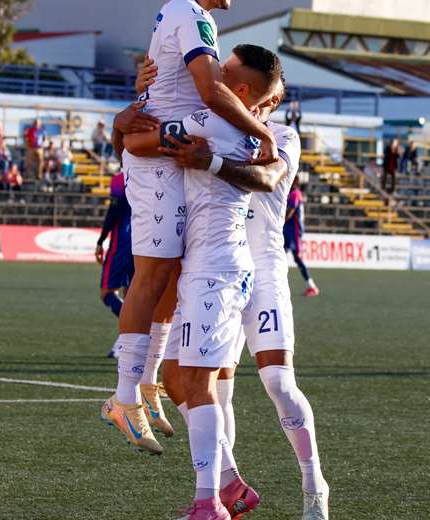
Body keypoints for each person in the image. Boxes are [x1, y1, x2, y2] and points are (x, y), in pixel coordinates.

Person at [102, 0, 279, 469]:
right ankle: (124, 395)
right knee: (154, 273)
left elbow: (187, 93)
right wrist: (126, 118)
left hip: (169, 164)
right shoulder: (191, 15)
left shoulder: (196, 20)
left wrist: (128, 116)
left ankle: (144, 381)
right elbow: (207, 90)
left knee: (167, 273)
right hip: (157, 163)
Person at [159, 76, 330, 519]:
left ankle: (314, 483)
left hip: (265, 270)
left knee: (277, 382)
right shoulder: (216, 125)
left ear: (273, 99)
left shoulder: (283, 137)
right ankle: (226, 489)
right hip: (220, 267)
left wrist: (211, 162)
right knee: (209, 387)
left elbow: (268, 179)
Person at [96, 172, 134, 320]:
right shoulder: (147, 176)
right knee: (133, 293)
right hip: (142, 242)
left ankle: (133, 325)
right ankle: (137, 334)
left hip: (122, 243)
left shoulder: (120, 179)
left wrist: (101, 241)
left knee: (107, 292)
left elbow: (113, 212)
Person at [285, 182, 318, 296]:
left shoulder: (295, 193)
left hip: (293, 232)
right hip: (289, 231)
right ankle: (311, 286)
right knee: (284, 257)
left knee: (295, 258)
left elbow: (290, 211)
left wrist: (279, 222)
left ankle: (311, 286)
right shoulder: (292, 193)